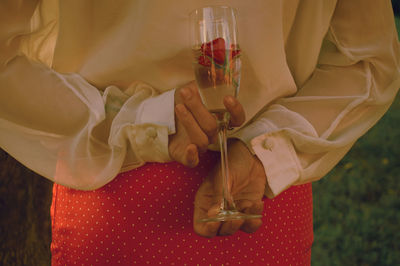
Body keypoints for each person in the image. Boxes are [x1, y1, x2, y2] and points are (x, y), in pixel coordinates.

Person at [0, 0, 399, 265]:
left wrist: (133, 119)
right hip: (137, 200)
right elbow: (370, 64)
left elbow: (370, 63)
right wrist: (268, 151)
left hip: (248, 201)